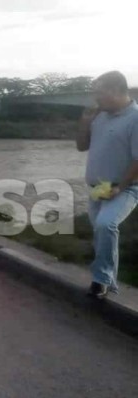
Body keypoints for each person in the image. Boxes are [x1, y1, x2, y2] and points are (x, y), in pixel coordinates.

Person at [76, 71, 138, 299]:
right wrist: (85, 122)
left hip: (125, 188)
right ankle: (108, 281)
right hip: (96, 188)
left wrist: (120, 187)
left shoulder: (135, 118)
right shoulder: (100, 116)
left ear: (116, 90)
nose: (95, 98)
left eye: (99, 93)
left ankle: (100, 281)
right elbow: (82, 146)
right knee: (101, 233)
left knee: (105, 225)